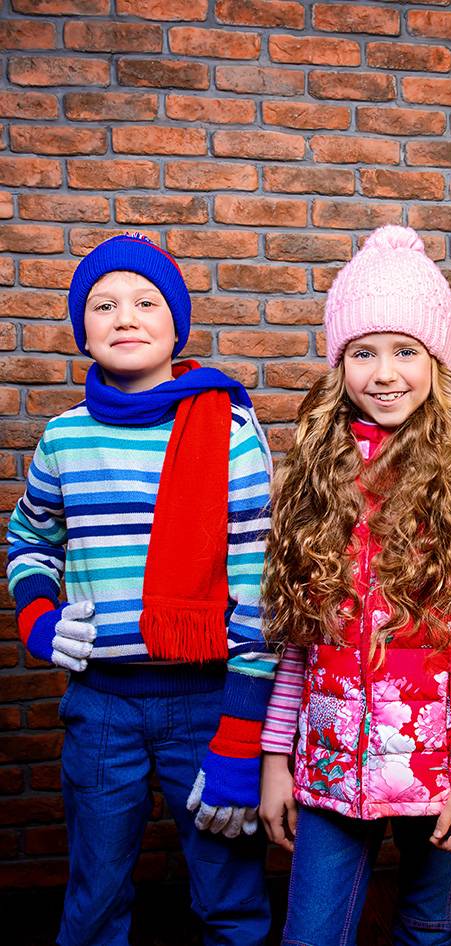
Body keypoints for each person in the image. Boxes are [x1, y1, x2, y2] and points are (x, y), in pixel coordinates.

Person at [258, 225, 451, 946]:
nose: (385, 372)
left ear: (437, 363)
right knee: (311, 934)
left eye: (406, 351)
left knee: (429, 929)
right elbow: (298, 636)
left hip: (443, 766)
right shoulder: (319, 480)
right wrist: (273, 756)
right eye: (363, 352)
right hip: (328, 764)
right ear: (338, 364)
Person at [6, 234, 274, 945]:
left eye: (146, 301)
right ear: (81, 329)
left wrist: (243, 737)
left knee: (229, 896)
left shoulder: (232, 432)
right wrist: (38, 615)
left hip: (208, 700)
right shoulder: (62, 438)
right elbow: (30, 541)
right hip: (101, 704)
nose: (125, 317)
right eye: (103, 304)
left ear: (176, 324)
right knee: (94, 900)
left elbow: (262, 586)